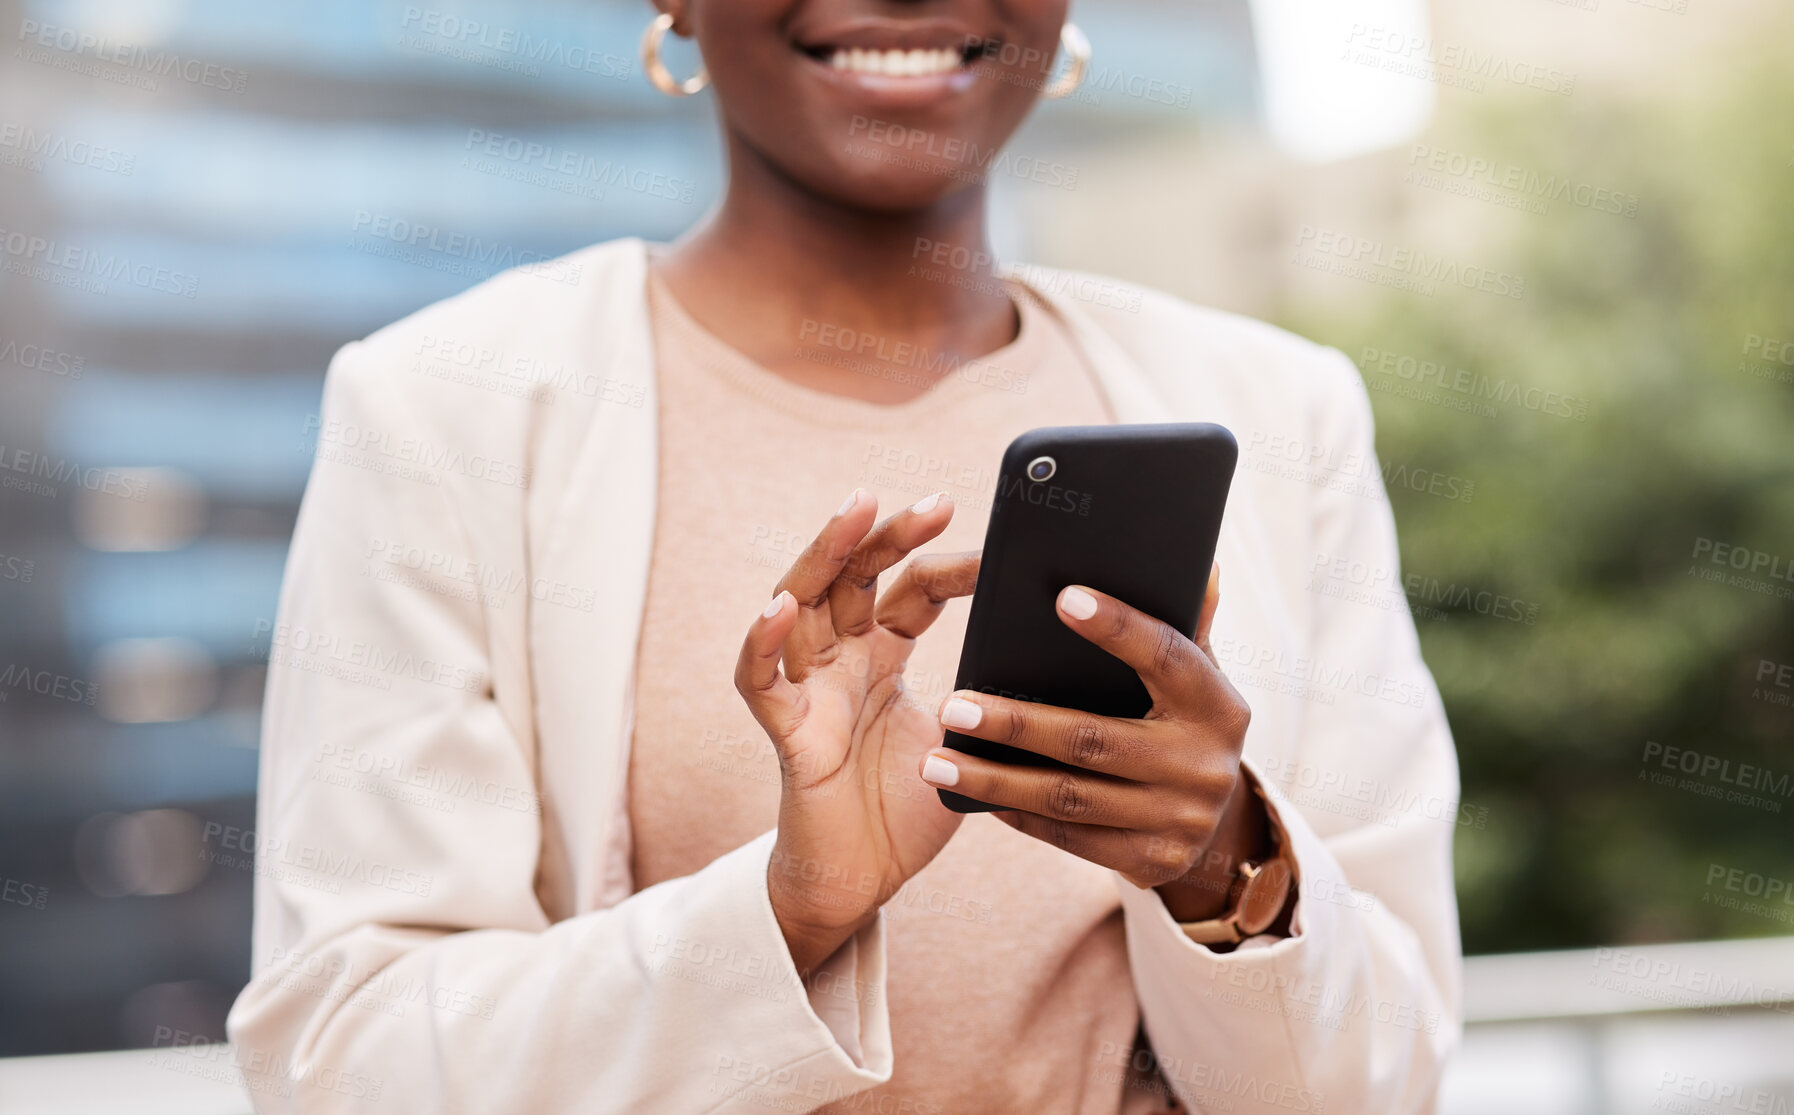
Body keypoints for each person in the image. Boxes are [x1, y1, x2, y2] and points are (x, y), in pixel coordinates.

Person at [227, 2, 1463, 1111]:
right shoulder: (450, 412)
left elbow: (1386, 1079)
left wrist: (1221, 862)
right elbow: (347, 1064)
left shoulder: (1282, 409)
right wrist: (786, 910)